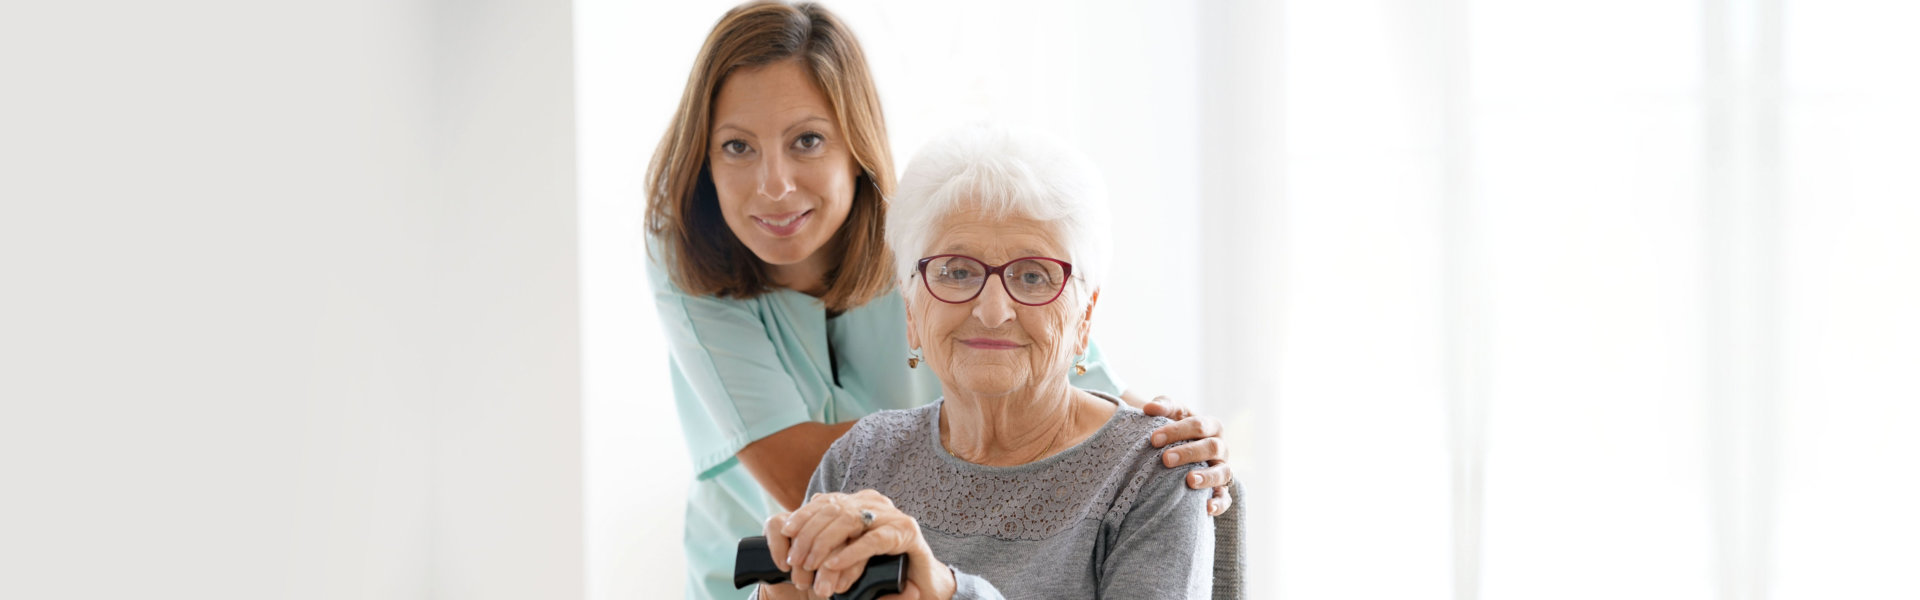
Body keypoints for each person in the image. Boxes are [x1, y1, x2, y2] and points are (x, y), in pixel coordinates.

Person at [644, 3, 1234, 598]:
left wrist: (1175, 437)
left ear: (856, 146)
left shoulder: (935, 229)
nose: (774, 184)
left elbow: (1065, 369)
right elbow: (810, 480)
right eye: (737, 147)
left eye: (807, 140)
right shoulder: (859, 458)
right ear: (911, 309)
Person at [753, 124, 1212, 600]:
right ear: (911, 311)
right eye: (957, 271)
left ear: (1084, 316)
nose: (993, 311)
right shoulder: (863, 456)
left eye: (1033, 276)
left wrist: (948, 593)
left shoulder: (1155, 473)